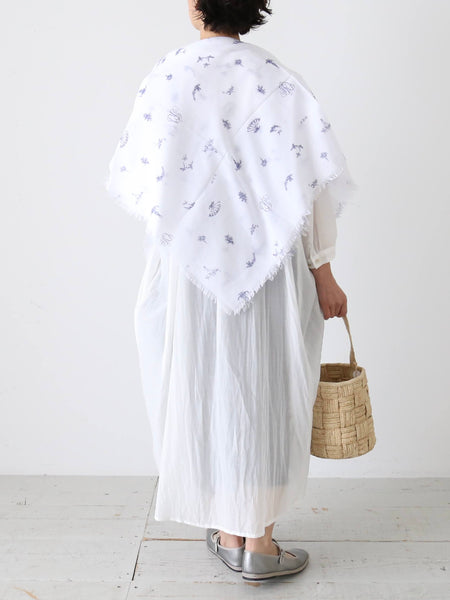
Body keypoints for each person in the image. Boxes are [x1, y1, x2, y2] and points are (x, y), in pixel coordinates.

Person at [106, 0, 358, 581]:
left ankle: (230, 530)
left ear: (198, 8)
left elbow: (147, 182)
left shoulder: (168, 75)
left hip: (188, 273)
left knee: (202, 388)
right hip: (272, 272)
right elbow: (312, 188)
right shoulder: (278, 80)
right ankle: (256, 541)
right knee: (267, 391)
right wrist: (324, 271)